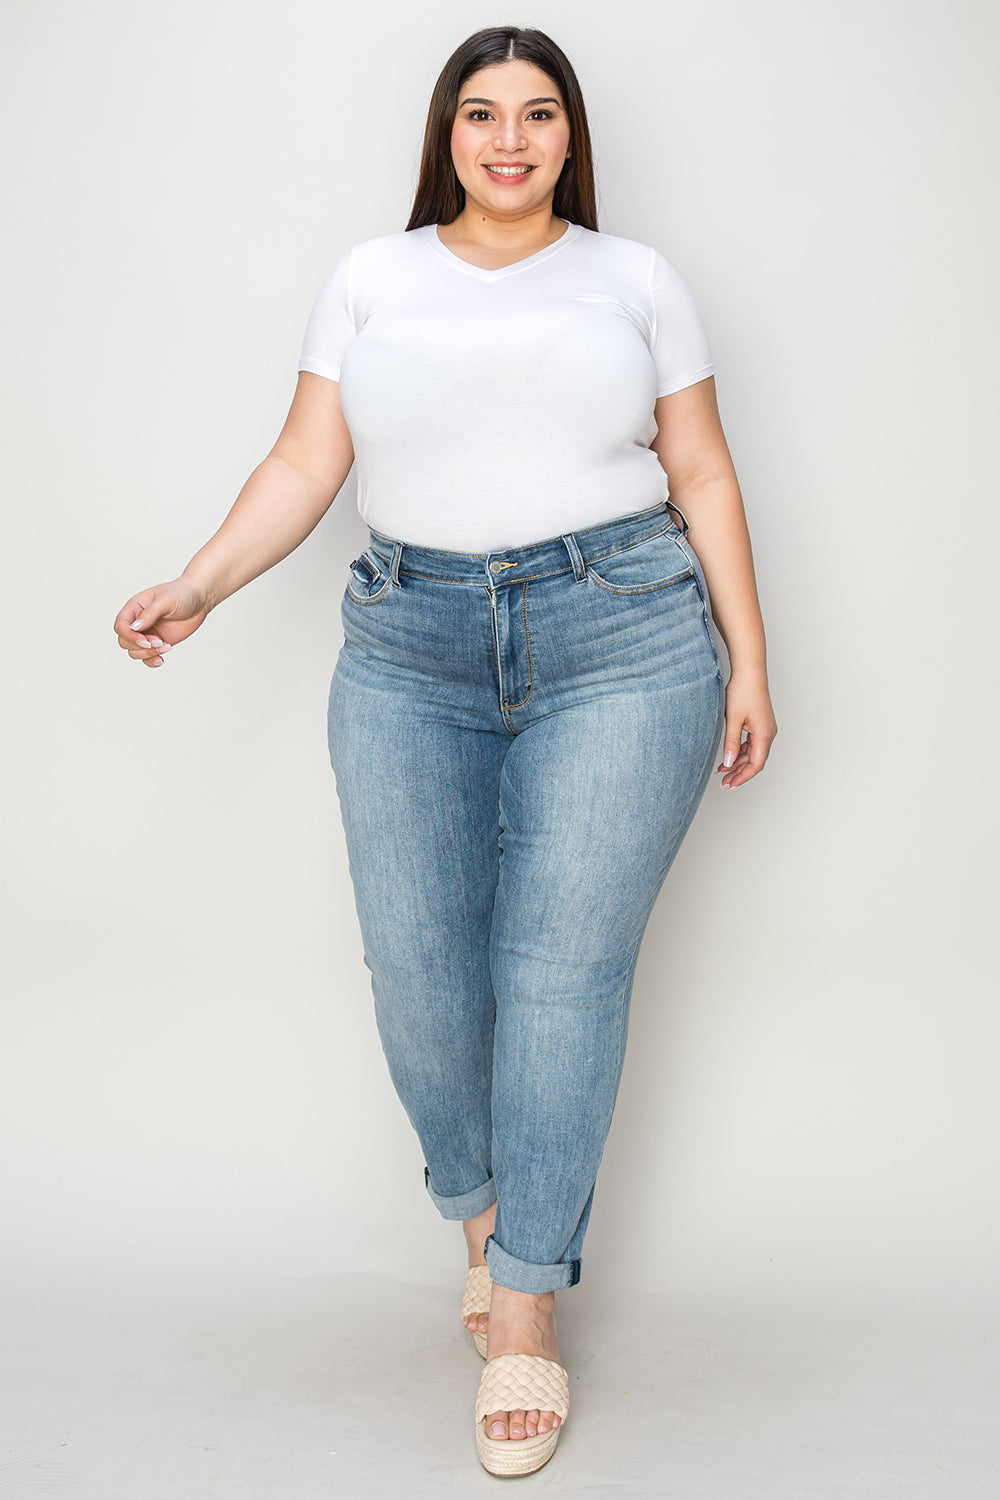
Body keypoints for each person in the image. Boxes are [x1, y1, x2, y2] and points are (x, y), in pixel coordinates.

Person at [113, 24, 777, 1479]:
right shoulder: (373, 277)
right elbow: (304, 463)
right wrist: (199, 583)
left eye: (539, 115)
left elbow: (703, 469)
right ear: (448, 135)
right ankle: (481, 1213)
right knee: (418, 964)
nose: (510, 141)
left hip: (625, 635)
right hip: (408, 644)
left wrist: (752, 657)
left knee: (560, 972)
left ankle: (524, 1307)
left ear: (567, 136)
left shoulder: (636, 279)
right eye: (482, 115)